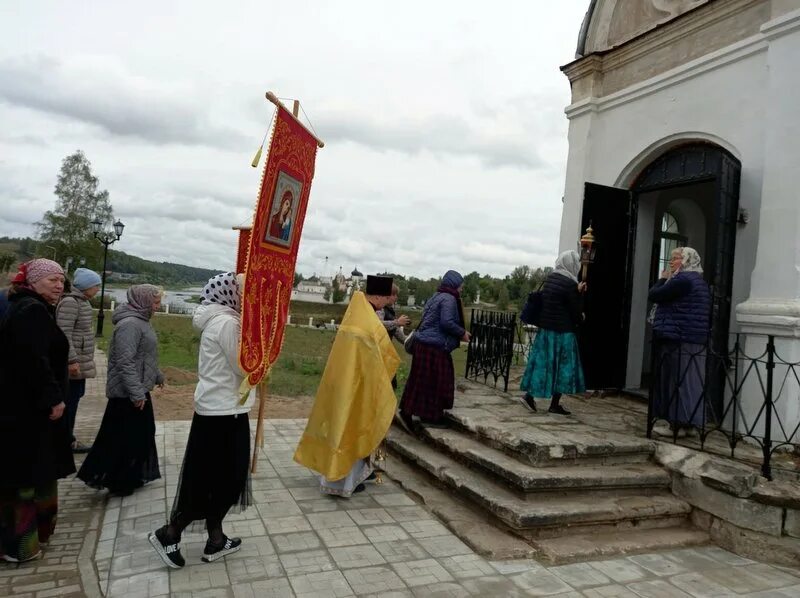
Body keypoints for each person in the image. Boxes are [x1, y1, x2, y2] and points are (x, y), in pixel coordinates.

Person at [149, 273, 253, 568]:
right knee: (220, 478)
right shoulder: (228, 323)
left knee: (216, 477)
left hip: (220, 408)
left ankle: (216, 539)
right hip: (224, 411)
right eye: (243, 293)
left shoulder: (219, 320)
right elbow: (243, 365)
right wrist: (264, 353)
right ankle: (169, 534)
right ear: (230, 295)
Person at [294, 275, 400, 498]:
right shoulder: (368, 320)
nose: (386, 304)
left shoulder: (357, 313)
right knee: (350, 428)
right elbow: (383, 354)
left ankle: (353, 473)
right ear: (378, 296)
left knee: (344, 426)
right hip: (358, 386)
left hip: (345, 383)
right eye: (385, 299)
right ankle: (342, 481)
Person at [0, 259, 75, 563]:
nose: (59, 285)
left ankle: (30, 537)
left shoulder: (25, 306)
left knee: (31, 471)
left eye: (61, 280)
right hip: (28, 411)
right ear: (34, 281)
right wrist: (53, 399)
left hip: (23, 407)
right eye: (52, 280)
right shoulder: (31, 310)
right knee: (25, 475)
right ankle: (19, 546)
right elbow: (34, 361)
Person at [77, 284, 164, 496]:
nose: (158, 307)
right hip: (128, 394)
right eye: (155, 302)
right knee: (124, 438)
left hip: (138, 389)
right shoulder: (130, 325)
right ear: (143, 301)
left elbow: (144, 356)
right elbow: (126, 362)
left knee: (139, 435)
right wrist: (136, 393)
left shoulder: (141, 321)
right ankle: (119, 481)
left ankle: (130, 476)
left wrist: (157, 375)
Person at [648, 247, 711, 436]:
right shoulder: (698, 280)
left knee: (678, 380)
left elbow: (655, 295)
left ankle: (677, 425)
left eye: (676, 258)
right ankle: (689, 424)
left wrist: (662, 278)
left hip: (679, 336)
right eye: (671, 258)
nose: (671, 262)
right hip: (692, 337)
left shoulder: (683, 280)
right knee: (690, 380)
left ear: (685, 261)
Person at [399, 270, 470, 430]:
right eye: (460, 286)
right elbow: (446, 322)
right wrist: (462, 333)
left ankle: (409, 411)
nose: (461, 290)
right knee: (436, 381)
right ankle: (428, 416)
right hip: (435, 346)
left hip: (424, 343)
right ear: (454, 284)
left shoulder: (436, 296)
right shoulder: (449, 298)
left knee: (420, 381)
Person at [519, 250, 587, 416]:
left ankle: (529, 396)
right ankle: (554, 404)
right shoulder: (570, 284)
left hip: (546, 331)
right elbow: (575, 311)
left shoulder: (550, 279)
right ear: (572, 265)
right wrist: (580, 296)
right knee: (563, 369)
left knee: (542, 366)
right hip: (563, 333)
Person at [56, 267, 102, 453]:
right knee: (69, 402)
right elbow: (63, 333)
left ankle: (67, 438)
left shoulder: (82, 302)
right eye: (96, 286)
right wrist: (71, 360)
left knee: (74, 400)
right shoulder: (71, 303)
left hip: (80, 363)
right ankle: (65, 441)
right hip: (73, 364)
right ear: (86, 286)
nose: (98, 289)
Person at [382, 283, 410, 389]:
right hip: (378, 351)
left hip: (386, 350)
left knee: (391, 383)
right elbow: (378, 324)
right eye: (394, 295)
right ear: (387, 295)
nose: (396, 297)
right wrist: (397, 322)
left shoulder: (390, 310)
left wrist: (410, 341)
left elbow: (397, 332)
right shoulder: (380, 309)